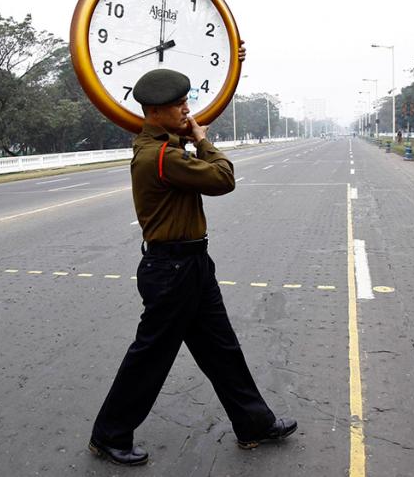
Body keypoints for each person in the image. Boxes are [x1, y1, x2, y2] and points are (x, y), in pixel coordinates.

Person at [89, 63, 297, 466]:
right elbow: (223, 178)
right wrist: (203, 140)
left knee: (221, 348)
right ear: (154, 111)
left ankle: (254, 423)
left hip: (191, 263)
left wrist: (185, 135)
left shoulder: (161, 146)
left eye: (186, 102)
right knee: (150, 357)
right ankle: (109, 435)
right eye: (179, 105)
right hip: (173, 271)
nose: (188, 110)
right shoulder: (161, 156)